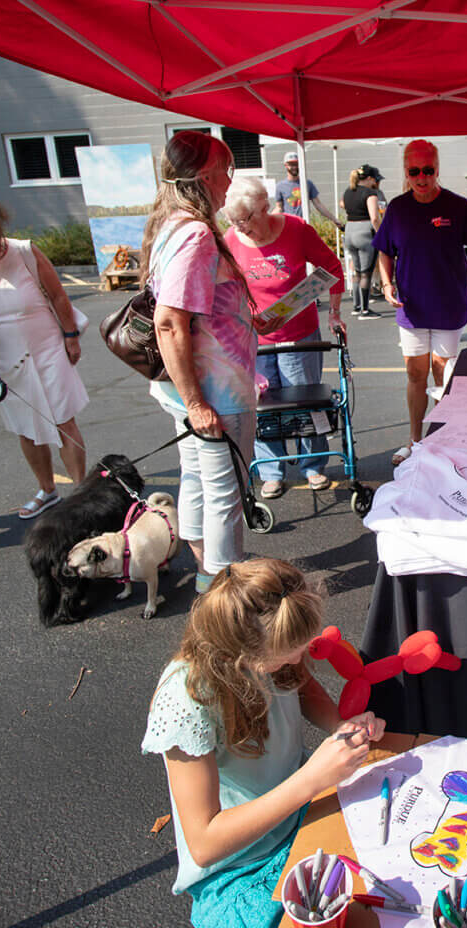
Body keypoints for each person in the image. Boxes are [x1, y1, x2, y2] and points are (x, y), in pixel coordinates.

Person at [142, 557, 385, 928]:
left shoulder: (269, 649)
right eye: (289, 652)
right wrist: (311, 779)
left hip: (301, 820)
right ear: (244, 658)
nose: (300, 658)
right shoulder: (185, 701)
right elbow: (205, 842)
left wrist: (342, 727)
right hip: (237, 869)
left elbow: (304, 686)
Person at [142, 130, 263, 594]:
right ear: (207, 174)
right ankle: (224, 594)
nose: (230, 183)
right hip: (215, 391)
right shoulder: (194, 233)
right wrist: (197, 403)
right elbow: (169, 321)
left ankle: (203, 567)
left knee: (196, 478)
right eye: (228, 171)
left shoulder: (171, 223)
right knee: (226, 496)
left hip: (192, 388)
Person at [373, 139, 467, 466]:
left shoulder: (458, 206)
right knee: (416, 375)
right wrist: (388, 283)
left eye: (428, 170)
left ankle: (443, 441)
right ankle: (415, 442)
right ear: (405, 171)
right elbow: (385, 252)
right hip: (411, 308)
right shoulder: (398, 208)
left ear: (437, 169)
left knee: (443, 378)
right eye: (414, 171)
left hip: (447, 306)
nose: (421, 177)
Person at [223, 176, 345, 497]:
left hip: (299, 333)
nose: (239, 227)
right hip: (255, 339)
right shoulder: (231, 240)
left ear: (264, 207)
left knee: (304, 401)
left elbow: (332, 266)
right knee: (263, 407)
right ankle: (272, 471)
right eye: (233, 221)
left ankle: (313, 465)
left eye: (245, 219)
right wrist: (240, 315)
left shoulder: (296, 229)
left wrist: (334, 312)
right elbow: (222, 289)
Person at [0, 199, 87, 518]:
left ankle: (82, 493)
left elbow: (58, 294)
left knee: (63, 420)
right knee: (26, 427)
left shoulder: (24, 250)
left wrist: (70, 335)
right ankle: (47, 490)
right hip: (5, 360)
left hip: (48, 348)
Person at [341, 163, 382, 319]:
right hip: (365, 232)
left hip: (350, 230)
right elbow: (374, 217)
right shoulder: (370, 193)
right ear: (370, 178)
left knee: (357, 272)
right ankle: (365, 310)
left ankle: (357, 306)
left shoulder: (348, 191)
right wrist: (381, 235)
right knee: (366, 273)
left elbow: (342, 205)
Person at [275, 152, 342, 230]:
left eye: (296, 164)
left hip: (304, 225)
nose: (294, 167)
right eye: (291, 164)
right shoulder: (280, 186)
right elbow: (279, 208)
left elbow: (318, 204)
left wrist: (334, 219)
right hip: (288, 226)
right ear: (285, 165)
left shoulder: (307, 183)